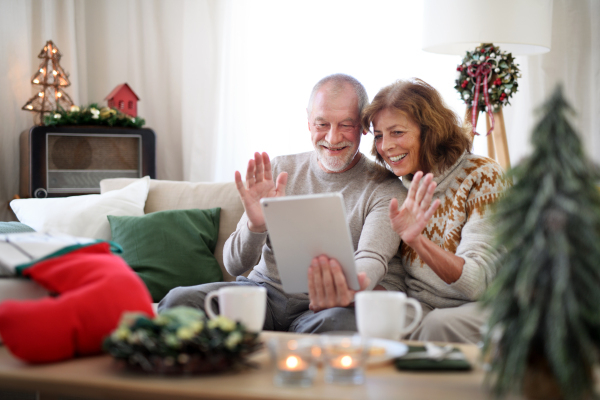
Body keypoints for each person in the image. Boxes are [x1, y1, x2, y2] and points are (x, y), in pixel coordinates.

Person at [159, 73, 405, 333]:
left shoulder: (384, 188)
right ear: (308, 123)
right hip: (259, 295)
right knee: (178, 302)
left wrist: (348, 289)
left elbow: (372, 258)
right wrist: (255, 225)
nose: (333, 138)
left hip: (326, 308)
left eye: (346, 125)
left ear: (364, 126)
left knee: (344, 325)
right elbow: (234, 265)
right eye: (322, 124)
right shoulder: (279, 169)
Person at [361, 78, 510, 344]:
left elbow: (479, 283)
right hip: (424, 306)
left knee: (437, 325)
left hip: (487, 305)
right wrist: (355, 291)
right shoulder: (396, 186)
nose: (385, 146)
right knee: (371, 321)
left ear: (430, 131)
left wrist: (417, 240)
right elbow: (396, 279)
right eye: (379, 135)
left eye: (397, 132)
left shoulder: (483, 176)